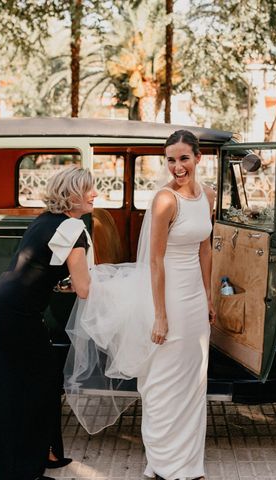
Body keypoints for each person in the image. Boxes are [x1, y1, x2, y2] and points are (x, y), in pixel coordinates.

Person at [63, 130, 215, 480]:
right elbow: (155, 261)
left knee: (194, 380)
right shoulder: (165, 200)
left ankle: (189, 465)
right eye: (171, 160)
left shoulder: (207, 195)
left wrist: (208, 296)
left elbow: (205, 248)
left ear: (198, 158)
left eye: (184, 158)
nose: (177, 167)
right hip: (166, 295)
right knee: (162, 382)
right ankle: (163, 465)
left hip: (194, 298)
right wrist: (159, 316)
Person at [0, 167, 96, 480]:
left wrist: (64, 282)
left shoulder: (47, 220)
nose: (95, 195)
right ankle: (20, 470)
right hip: (16, 312)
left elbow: (43, 266)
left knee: (37, 381)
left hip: (4, 302)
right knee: (26, 387)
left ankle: (44, 453)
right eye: (90, 189)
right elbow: (85, 288)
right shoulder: (73, 228)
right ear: (73, 195)